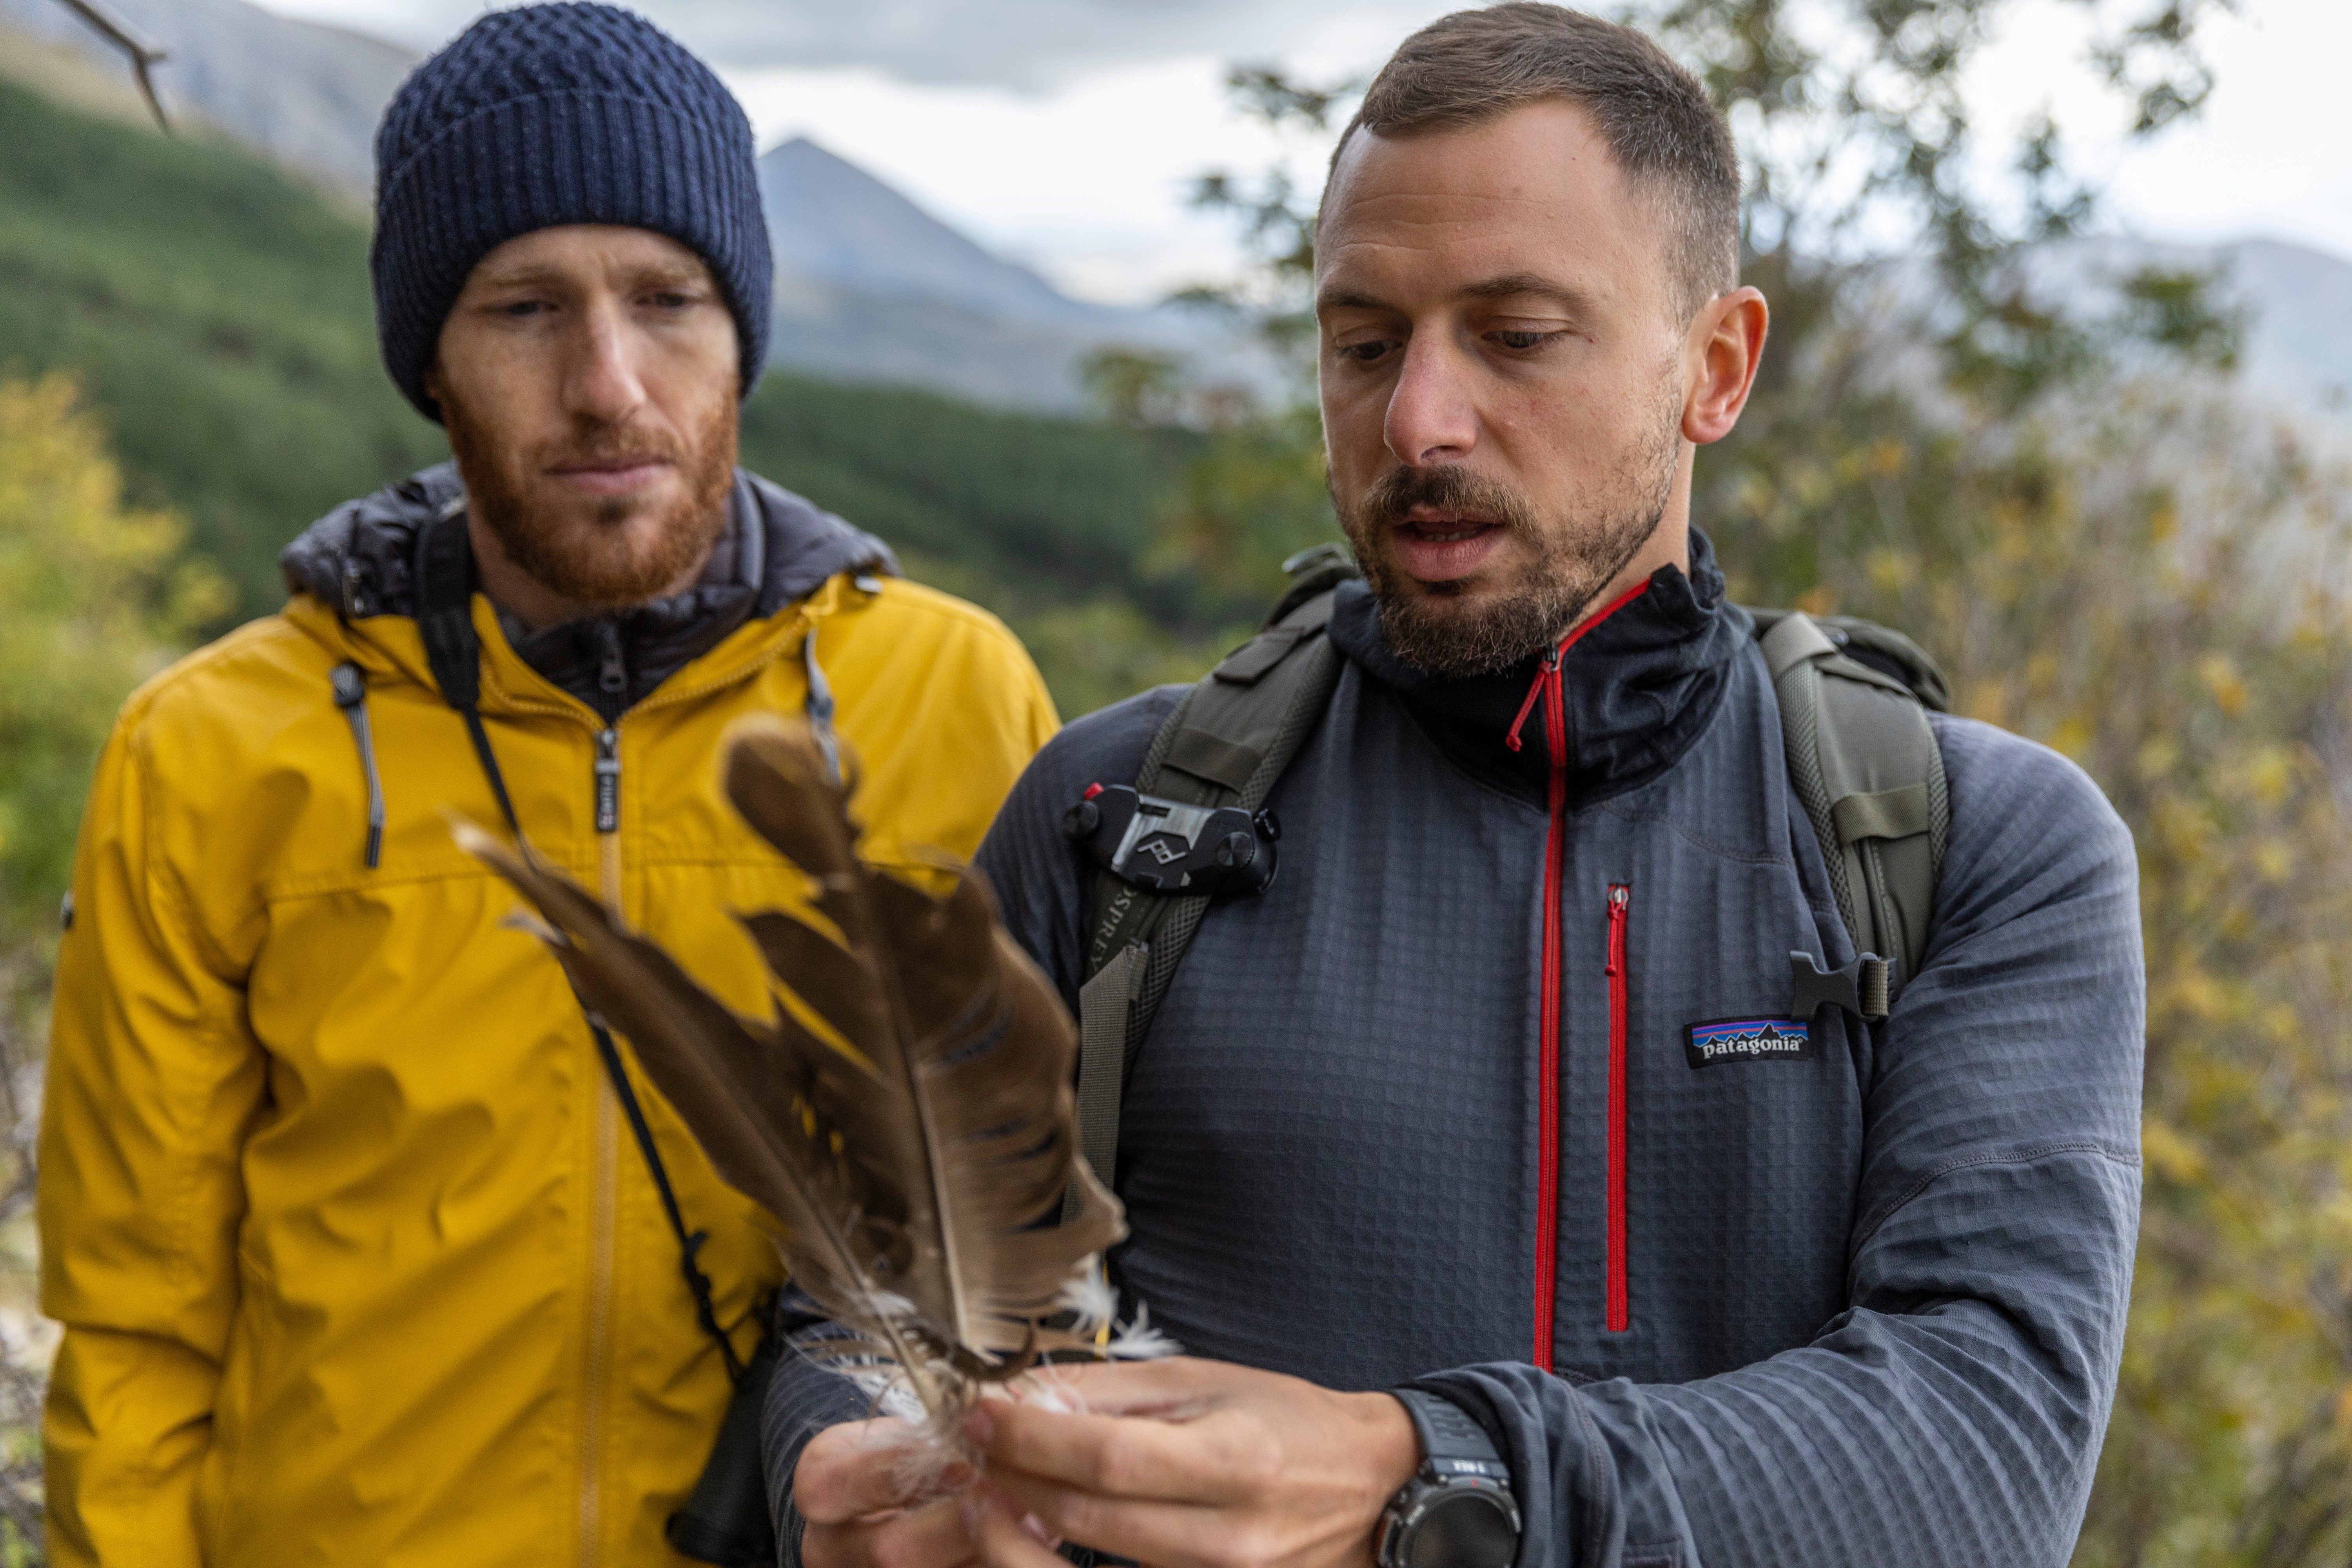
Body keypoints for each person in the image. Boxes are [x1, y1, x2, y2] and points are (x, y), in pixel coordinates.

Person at [770, 7, 2144, 1568]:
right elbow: (852, 1307)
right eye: (1364, 343)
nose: (1416, 420)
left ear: (1716, 365)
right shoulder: (1117, 821)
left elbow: (1988, 1452)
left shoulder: (1973, 846)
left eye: (1516, 334)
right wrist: (847, 1485)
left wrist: (1418, 1474)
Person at [36, 7, 1059, 1565]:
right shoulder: (213, 749)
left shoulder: (951, 699)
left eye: (669, 299)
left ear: (743, 335)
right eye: (524, 308)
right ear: (429, 365)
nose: (606, 382)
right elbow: (135, 1327)